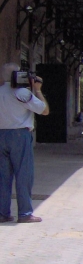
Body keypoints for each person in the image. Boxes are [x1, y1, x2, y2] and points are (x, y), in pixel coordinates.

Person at [0, 62, 49, 223]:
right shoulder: (22, 93)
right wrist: (38, 90)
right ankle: (25, 213)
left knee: (3, 177)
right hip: (20, 135)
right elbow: (44, 110)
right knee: (23, 175)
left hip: (1, 135)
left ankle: (3, 213)